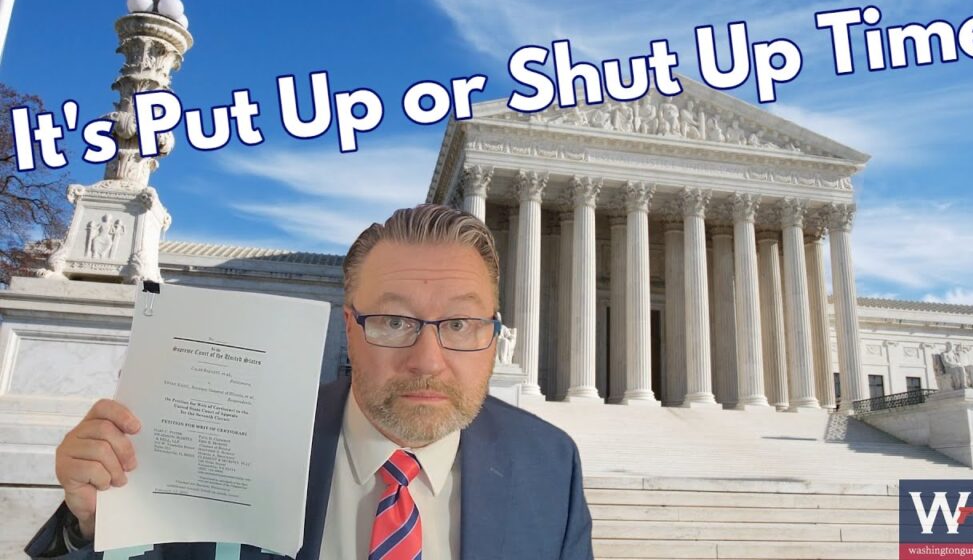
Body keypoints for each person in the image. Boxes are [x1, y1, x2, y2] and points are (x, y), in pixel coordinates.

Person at [26, 204, 593, 560]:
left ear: (494, 333)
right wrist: (93, 527)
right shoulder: (240, 439)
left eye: (460, 323)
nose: (427, 360)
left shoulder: (548, 466)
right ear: (349, 327)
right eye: (394, 322)